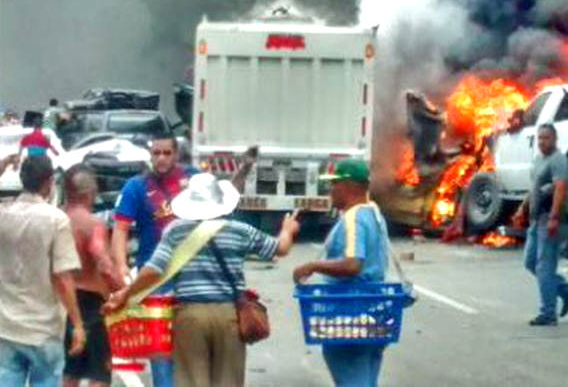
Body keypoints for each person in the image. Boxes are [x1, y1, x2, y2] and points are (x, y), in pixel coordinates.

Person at [104, 173, 300, 387]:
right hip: (229, 317)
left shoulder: (175, 231)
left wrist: (125, 294)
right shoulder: (239, 230)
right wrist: (287, 230)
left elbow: (154, 270)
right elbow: (280, 248)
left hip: (189, 317)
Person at [110, 137, 254, 387]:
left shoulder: (194, 180)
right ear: (150, 155)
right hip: (157, 281)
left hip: (193, 279)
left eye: (166, 152)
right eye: (156, 153)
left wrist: (243, 170)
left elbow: (224, 198)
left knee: (199, 350)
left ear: (176, 155)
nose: (161, 158)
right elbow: (120, 229)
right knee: (162, 353)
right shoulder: (136, 187)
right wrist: (122, 268)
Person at [293, 158, 390, 387]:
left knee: (351, 374)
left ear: (348, 185)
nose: (330, 190)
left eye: (334, 183)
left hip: (351, 313)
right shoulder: (375, 213)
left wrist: (312, 266)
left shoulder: (354, 218)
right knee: (365, 377)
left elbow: (353, 265)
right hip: (376, 312)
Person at [0, 156, 85, 387]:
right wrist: (77, 324)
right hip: (44, 329)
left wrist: (2, 165)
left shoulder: (3, 214)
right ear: (49, 182)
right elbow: (62, 277)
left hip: (6, 328)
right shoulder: (56, 220)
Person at [513, 123, 568, 326]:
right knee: (530, 263)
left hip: (550, 220)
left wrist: (554, 217)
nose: (542, 141)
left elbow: (561, 189)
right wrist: (521, 208)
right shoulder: (538, 160)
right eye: (540, 138)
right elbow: (534, 188)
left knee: (544, 267)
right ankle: (566, 290)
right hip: (535, 219)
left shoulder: (558, 160)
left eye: (547, 138)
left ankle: (548, 313)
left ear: (555, 140)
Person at [62, 165, 125, 387]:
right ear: (90, 193)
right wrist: (123, 290)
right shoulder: (93, 225)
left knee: (70, 372)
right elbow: (104, 265)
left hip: (62, 303)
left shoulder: (56, 220)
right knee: (99, 372)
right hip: (91, 304)